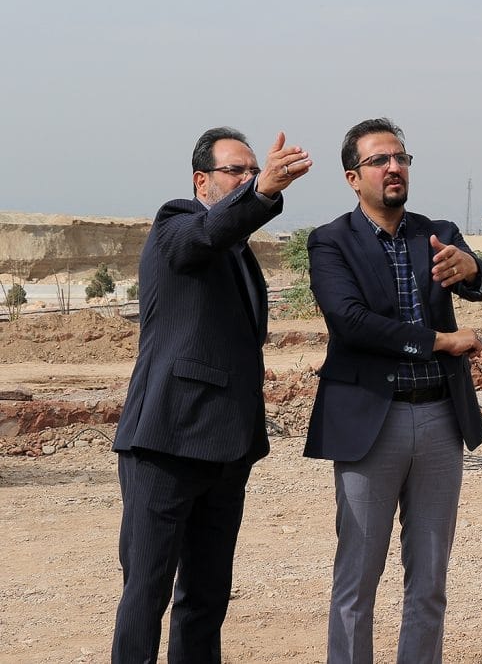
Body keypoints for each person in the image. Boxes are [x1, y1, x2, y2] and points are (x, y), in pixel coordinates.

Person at [111, 126, 312, 663]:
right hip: (166, 442)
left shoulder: (241, 255)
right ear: (202, 181)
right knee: (146, 592)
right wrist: (262, 192)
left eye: (253, 170)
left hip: (227, 448)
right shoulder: (175, 224)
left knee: (206, 597)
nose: (247, 177)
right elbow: (206, 234)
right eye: (236, 170)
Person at [304, 117, 482, 663]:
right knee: (357, 581)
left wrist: (473, 268)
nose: (394, 168)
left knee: (430, 581)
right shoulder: (330, 242)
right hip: (371, 422)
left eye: (401, 158)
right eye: (380, 160)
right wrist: (439, 341)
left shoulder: (436, 232)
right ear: (353, 177)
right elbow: (350, 322)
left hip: (439, 420)